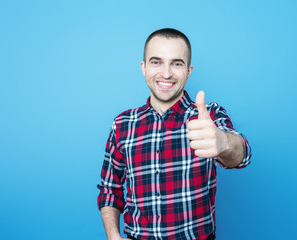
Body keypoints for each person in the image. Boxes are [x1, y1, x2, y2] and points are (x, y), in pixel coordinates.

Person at [97, 28, 251, 240]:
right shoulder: (122, 124)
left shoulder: (209, 116)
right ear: (143, 67)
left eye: (176, 63)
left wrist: (224, 141)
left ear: (188, 71)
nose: (166, 73)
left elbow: (242, 156)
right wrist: (113, 235)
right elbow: (110, 188)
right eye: (156, 62)